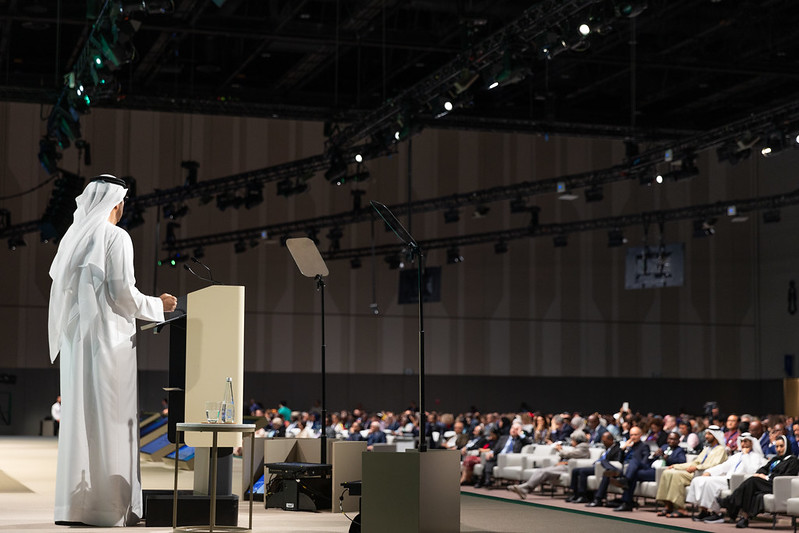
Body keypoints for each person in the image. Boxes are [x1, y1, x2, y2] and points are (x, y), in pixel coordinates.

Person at [48, 175, 177, 527]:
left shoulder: (73, 239)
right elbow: (123, 294)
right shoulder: (116, 236)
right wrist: (158, 304)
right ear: (117, 204)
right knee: (112, 421)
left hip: (77, 344)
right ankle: (109, 508)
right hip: (109, 343)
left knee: (79, 421)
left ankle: (75, 508)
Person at [720, 435, 799, 528]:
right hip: (767, 483)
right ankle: (744, 518)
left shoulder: (793, 461)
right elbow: (762, 469)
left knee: (753, 481)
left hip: (778, 486)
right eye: (777, 447)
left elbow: (787, 477)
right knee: (752, 489)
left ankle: (732, 501)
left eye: (781, 446)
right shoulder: (775, 459)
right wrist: (761, 474)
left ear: (787, 446)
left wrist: (766, 477)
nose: (779, 449)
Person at [688, 433, 765, 524]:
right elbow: (723, 466)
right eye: (742, 441)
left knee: (710, 483)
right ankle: (704, 511)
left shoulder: (756, 457)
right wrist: (709, 472)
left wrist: (746, 456)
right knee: (698, 479)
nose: (743, 444)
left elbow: (752, 470)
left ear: (752, 443)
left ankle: (717, 514)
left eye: (746, 441)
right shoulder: (737, 455)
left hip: (739, 482)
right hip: (726, 479)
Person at [655, 425, 727, 518]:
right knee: (667, 471)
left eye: (709, 434)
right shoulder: (707, 449)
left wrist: (697, 467)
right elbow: (694, 462)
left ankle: (681, 508)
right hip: (696, 472)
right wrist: (676, 466)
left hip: (705, 475)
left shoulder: (721, 450)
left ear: (716, 436)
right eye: (706, 434)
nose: (706, 436)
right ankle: (668, 505)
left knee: (677, 475)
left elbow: (714, 465)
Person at [612, 431, 687, 512]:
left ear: (678, 441)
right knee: (634, 461)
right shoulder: (664, 446)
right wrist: (654, 455)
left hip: (660, 472)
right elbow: (652, 459)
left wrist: (668, 459)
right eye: (670, 439)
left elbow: (682, 462)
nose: (671, 441)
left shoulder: (680, 451)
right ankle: (626, 483)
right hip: (651, 467)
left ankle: (626, 500)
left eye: (674, 439)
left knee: (634, 474)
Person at [507, 431, 590, 499]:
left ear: (577, 440)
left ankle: (523, 488)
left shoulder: (583, 447)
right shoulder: (579, 447)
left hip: (569, 468)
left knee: (545, 472)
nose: (571, 442)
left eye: (572, 440)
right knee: (541, 470)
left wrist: (560, 450)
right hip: (564, 466)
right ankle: (524, 488)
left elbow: (568, 455)